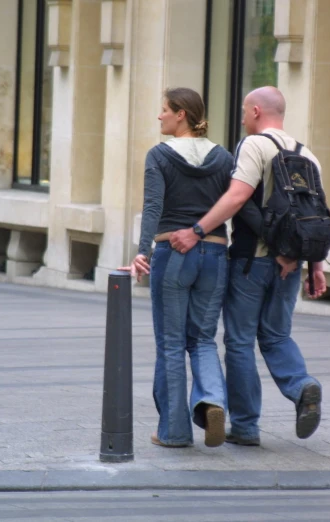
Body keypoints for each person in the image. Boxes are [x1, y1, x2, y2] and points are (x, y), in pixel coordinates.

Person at [169, 86, 326, 446]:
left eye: (243, 111)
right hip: (291, 265)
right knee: (276, 335)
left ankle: (245, 425)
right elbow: (316, 216)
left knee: (239, 342)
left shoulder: (253, 145)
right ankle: (302, 386)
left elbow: (238, 198)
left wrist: (197, 230)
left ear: (256, 111)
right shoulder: (308, 155)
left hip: (250, 262)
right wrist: (313, 264)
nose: (242, 117)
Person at [122, 87, 235, 448]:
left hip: (173, 253)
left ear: (181, 114)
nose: (160, 116)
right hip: (216, 254)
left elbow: (153, 207)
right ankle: (213, 401)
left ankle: (174, 431)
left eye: (164, 110)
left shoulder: (159, 155)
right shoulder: (223, 157)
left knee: (171, 344)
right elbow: (239, 204)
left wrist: (142, 252)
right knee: (202, 339)